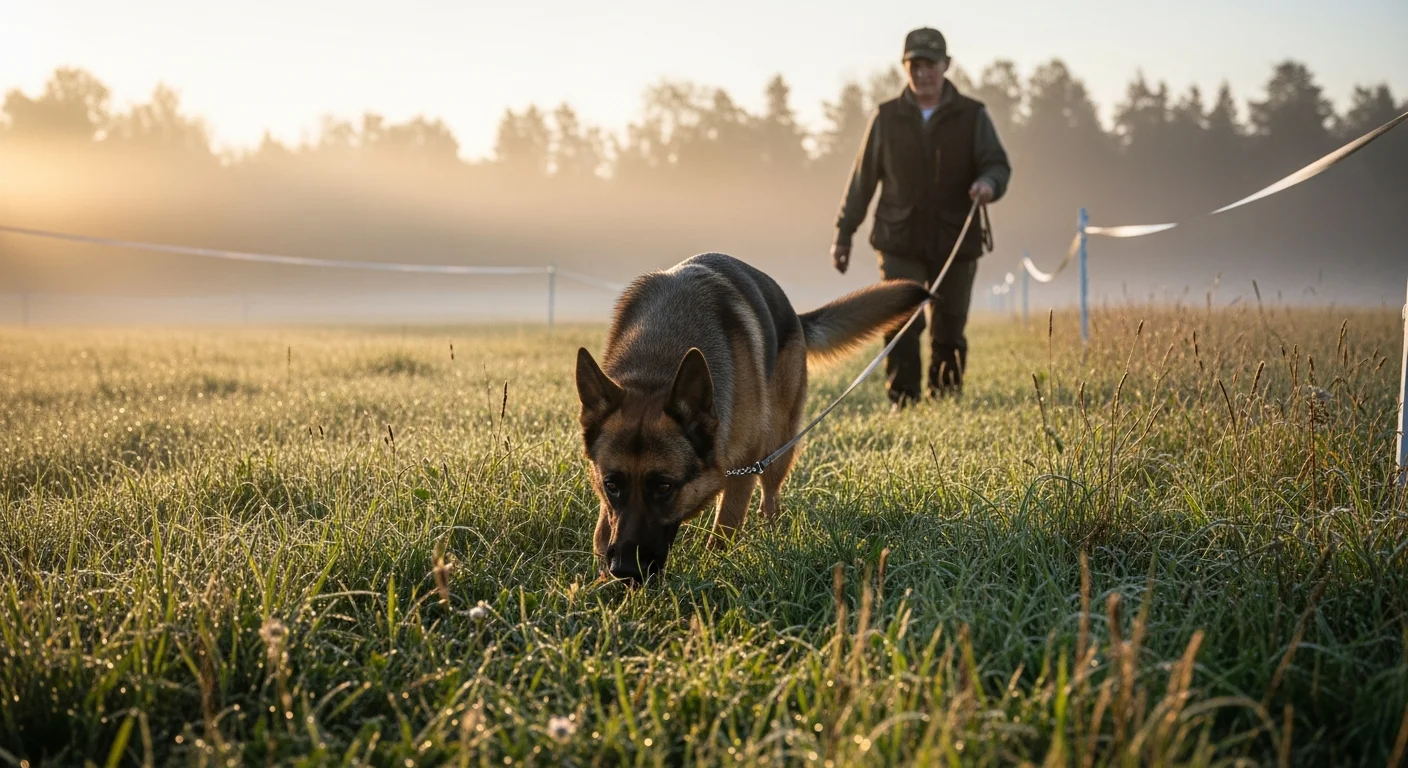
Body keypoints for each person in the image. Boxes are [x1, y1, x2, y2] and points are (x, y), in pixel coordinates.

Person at [831, 27, 1011, 409]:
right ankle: (903, 400)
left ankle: (945, 400)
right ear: (904, 67)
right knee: (903, 322)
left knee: (949, 328)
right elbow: (862, 182)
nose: (922, 72)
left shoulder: (973, 115)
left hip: (956, 239)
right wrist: (844, 234)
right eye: (915, 64)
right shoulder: (886, 117)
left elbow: (997, 164)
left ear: (947, 66)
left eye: (930, 64)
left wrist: (987, 184)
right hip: (899, 238)